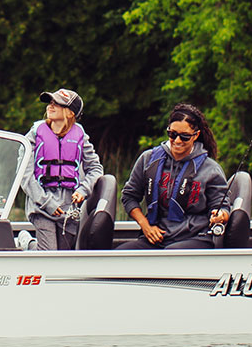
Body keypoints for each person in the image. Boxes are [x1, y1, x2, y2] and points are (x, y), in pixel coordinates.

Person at [117, 103, 229, 250]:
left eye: (184, 137)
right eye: (173, 134)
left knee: (169, 255)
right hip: (156, 237)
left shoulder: (211, 169)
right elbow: (129, 197)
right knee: (121, 254)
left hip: (195, 238)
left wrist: (220, 215)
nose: (177, 141)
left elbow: (223, 206)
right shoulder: (148, 159)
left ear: (196, 135)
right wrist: (145, 226)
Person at [17, 88, 103, 250]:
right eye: (50, 102)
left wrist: (83, 190)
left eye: (57, 104)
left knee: (64, 255)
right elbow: (25, 175)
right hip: (41, 207)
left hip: (68, 210)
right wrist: (46, 202)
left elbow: (96, 169)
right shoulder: (34, 135)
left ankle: (31, 245)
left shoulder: (81, 137)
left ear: (71, 113)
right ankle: (26, 243)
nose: (51, 106)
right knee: (49, 254)